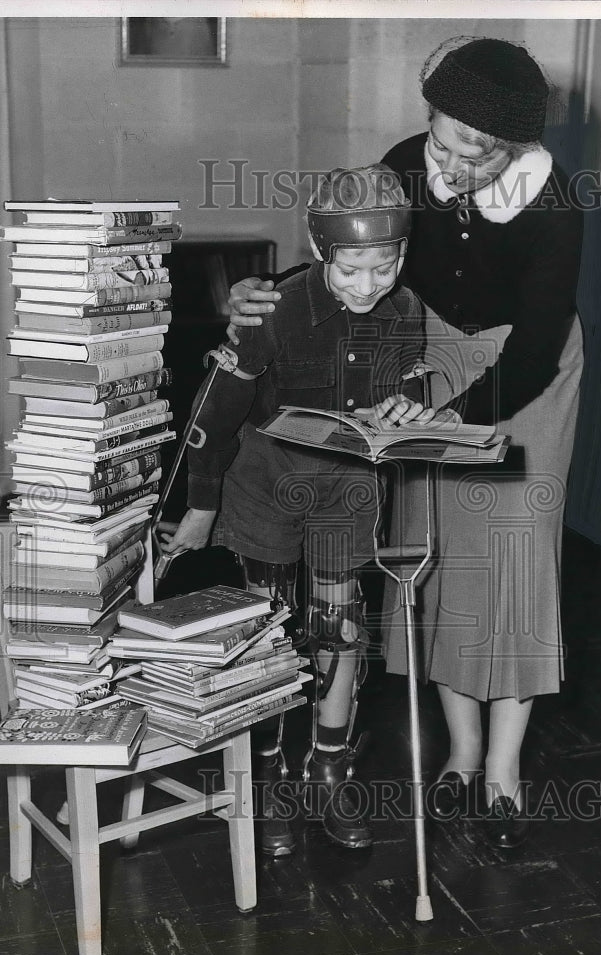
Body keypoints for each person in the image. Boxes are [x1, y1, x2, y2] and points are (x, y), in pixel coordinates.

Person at [224, 36, 585, 849]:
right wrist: (264, 297)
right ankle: (458, 757)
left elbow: (533, 341)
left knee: (515, 563)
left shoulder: (554, 196)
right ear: (429, 119)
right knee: (437, 554)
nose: (455, 168)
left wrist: (449, 407)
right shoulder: (400, 163)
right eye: (446, 144)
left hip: (527, 376)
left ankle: (503, 773)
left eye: (480, 155)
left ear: (517, 146)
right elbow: (356, 264)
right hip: (426, 360)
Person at [159, 163, 446, 856]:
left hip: (345, 492)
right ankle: (270, 777)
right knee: (269, 632)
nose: (367, 285)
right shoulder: (276, 309)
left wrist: (408, 405)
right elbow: (216, 410)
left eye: (382, 267)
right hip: (264, 486)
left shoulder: (406, 312)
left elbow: (394, 392)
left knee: (339, 629)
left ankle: (328, 765)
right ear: (322, 252)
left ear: (401, 255)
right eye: (351, 270)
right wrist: (200, 505)